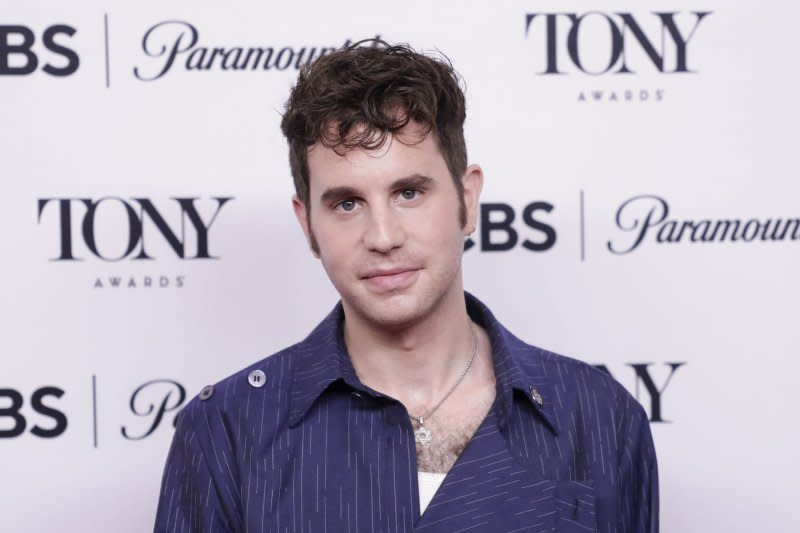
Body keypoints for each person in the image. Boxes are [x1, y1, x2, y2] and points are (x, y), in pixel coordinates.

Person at [154, 40, 658, 533]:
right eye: (347, 203)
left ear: (467, 198)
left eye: (409, 192)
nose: (383, 237)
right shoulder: (226, 429)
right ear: (307, 224)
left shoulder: (600, 417)